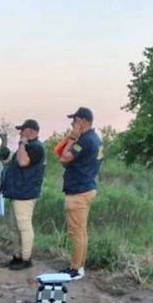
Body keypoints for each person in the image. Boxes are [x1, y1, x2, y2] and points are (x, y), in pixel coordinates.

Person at [59, 107, 103, 280]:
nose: (72, 124)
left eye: (74, 121)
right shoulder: (96, 140)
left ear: (83, 121)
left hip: (78, 191)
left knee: (76, 232)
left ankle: (76, 269)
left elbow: (64, 157)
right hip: (87, 188)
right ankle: (78, 266)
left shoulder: (84, 141)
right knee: (81, 231)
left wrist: (72, 137)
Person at [1, 119, 46, 270]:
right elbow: (14, 163)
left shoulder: (36, 148)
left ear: (30, 131)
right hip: (16, 192)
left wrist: (22, 143)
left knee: (24, 226)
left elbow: (22, 162)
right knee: (15, 227)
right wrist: (5, 158)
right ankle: (17, 256)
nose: (20, 133)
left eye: (22, 130)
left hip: (25, 194)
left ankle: (26, 259)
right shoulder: (26, 147)